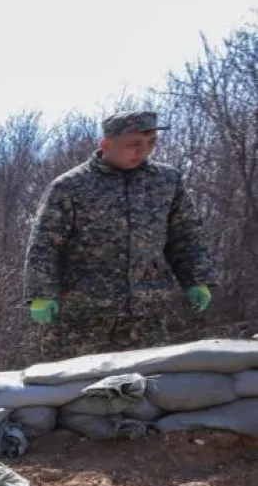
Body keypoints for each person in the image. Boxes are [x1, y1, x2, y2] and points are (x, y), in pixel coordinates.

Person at [24, 110, 214, 361]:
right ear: (106, 144)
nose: (143, 151)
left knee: (142, 388)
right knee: (75, 388)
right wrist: (41, 294)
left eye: (151, 144)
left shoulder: (167, 182)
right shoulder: (70, 186)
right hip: (81, 314)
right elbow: (45, 245)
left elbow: (186, 234)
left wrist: (196, 278)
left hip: (146, 312)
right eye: (133, 145)